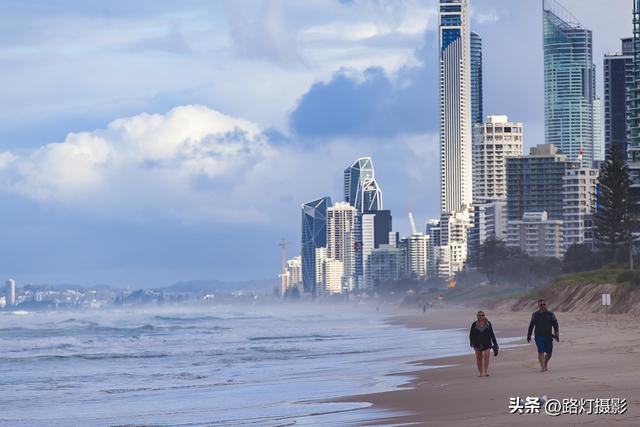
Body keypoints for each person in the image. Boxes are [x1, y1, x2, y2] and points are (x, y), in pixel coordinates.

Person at [527, 298, 559, 372]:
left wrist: (556, 331)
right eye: (541, 305)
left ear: (546, 305)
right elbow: (531, 325)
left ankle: (545, 363)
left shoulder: (550, 314)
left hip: (548, 336)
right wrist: (529, 335)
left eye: (544, 304)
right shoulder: (535, 315)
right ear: (538, 305)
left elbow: (555, 323)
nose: (542, 306)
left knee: (549, 353)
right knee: (541, 351)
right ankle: (543, 367)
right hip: (539, 336)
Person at [469, 310, 499, 377]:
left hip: (487, 343)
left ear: (484, 316)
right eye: (480, 315)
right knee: (479, 358)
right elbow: (471, 334)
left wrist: (495, 344)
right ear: (477, 316)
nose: (481, 316)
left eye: (483, 315)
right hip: (477, 343)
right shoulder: (474, 324)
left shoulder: (488, 324)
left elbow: (492, 334)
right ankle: (481, 373)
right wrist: (472, 343)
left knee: (486, 355)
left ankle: (485, 372)